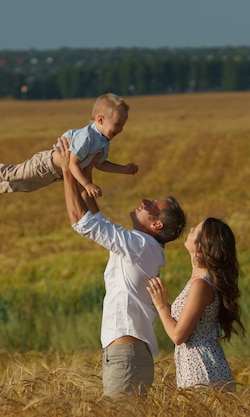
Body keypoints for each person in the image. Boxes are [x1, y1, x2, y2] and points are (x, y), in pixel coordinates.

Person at [53, 135, 186, 397]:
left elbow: (82, 222)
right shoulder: (143, 248)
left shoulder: (139, 246)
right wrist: (84, 175)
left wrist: (68, 172)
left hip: (126, 355)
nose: (145, 200)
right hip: (130, 354)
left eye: (153, 206)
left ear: (156, 225)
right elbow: (97, 219)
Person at [0, 93, 138, 206]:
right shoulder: (87, 137)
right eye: (117, 124)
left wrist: (123, 169)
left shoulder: (104, 141)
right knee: (10, 173)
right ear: (100, 120)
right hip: (45, 164)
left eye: (123, 125)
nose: (120, 130)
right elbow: (72, 163)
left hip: (55, 175)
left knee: (26, 187)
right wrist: (87, 185)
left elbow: (100, 164)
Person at [146, 218, 246, 391]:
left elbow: (178, 336)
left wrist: (162, 307)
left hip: (200, 369)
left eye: (195, 231)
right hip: (200, 364)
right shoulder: (199, 283)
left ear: (199, 246)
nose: (190, 229)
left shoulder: (201, 285)